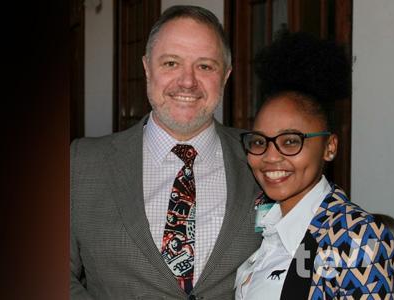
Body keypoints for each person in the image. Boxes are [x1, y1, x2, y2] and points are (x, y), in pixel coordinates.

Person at [70, 6, 261, 299]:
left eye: (205, 66)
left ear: (226, 76)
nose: (187, 81)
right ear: (147, 68)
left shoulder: (261, 157)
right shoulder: (82, 163)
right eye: (171, 63)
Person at [235, 32, 394, 299]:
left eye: (290, 141)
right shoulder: (263, 218)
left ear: (329, 147)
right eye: (260, 141)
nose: (270, 156)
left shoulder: (355, 236)